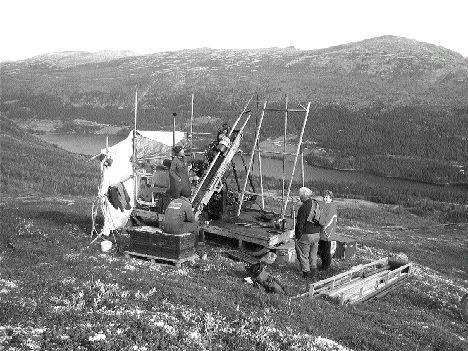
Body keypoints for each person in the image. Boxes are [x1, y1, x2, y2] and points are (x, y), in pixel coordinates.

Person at [295, 187, 322, 279]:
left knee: (303, 255)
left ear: (304, 195)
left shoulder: (303, 208)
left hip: (307, 235)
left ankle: (306, 274)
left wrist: (297, 236)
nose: (299, 197)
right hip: (316, 234)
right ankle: (313, 271)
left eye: (300, 195)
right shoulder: (316, 203)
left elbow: (300, 224)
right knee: (313, 254)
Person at [317, 190, 338, 270]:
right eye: (324, 197)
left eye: (327, 197)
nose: (325, 199)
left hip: (327, 232)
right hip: (323, 232)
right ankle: (324, 265)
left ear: (331, 198)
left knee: (325, 250)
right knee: (322, 249)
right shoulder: (326, 205)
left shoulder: (331, 207)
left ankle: (326, 267)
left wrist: (320, 223)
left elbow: (328, 220)